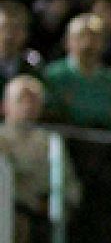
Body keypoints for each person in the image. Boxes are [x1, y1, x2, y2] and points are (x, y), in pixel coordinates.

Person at [0, 73, 80, 239]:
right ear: (5, 105)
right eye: (22, 99)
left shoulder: (52, 143)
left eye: (34, 100)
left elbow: (70, 188)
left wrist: (51, 204)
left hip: (40, 216)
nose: (28, 105)